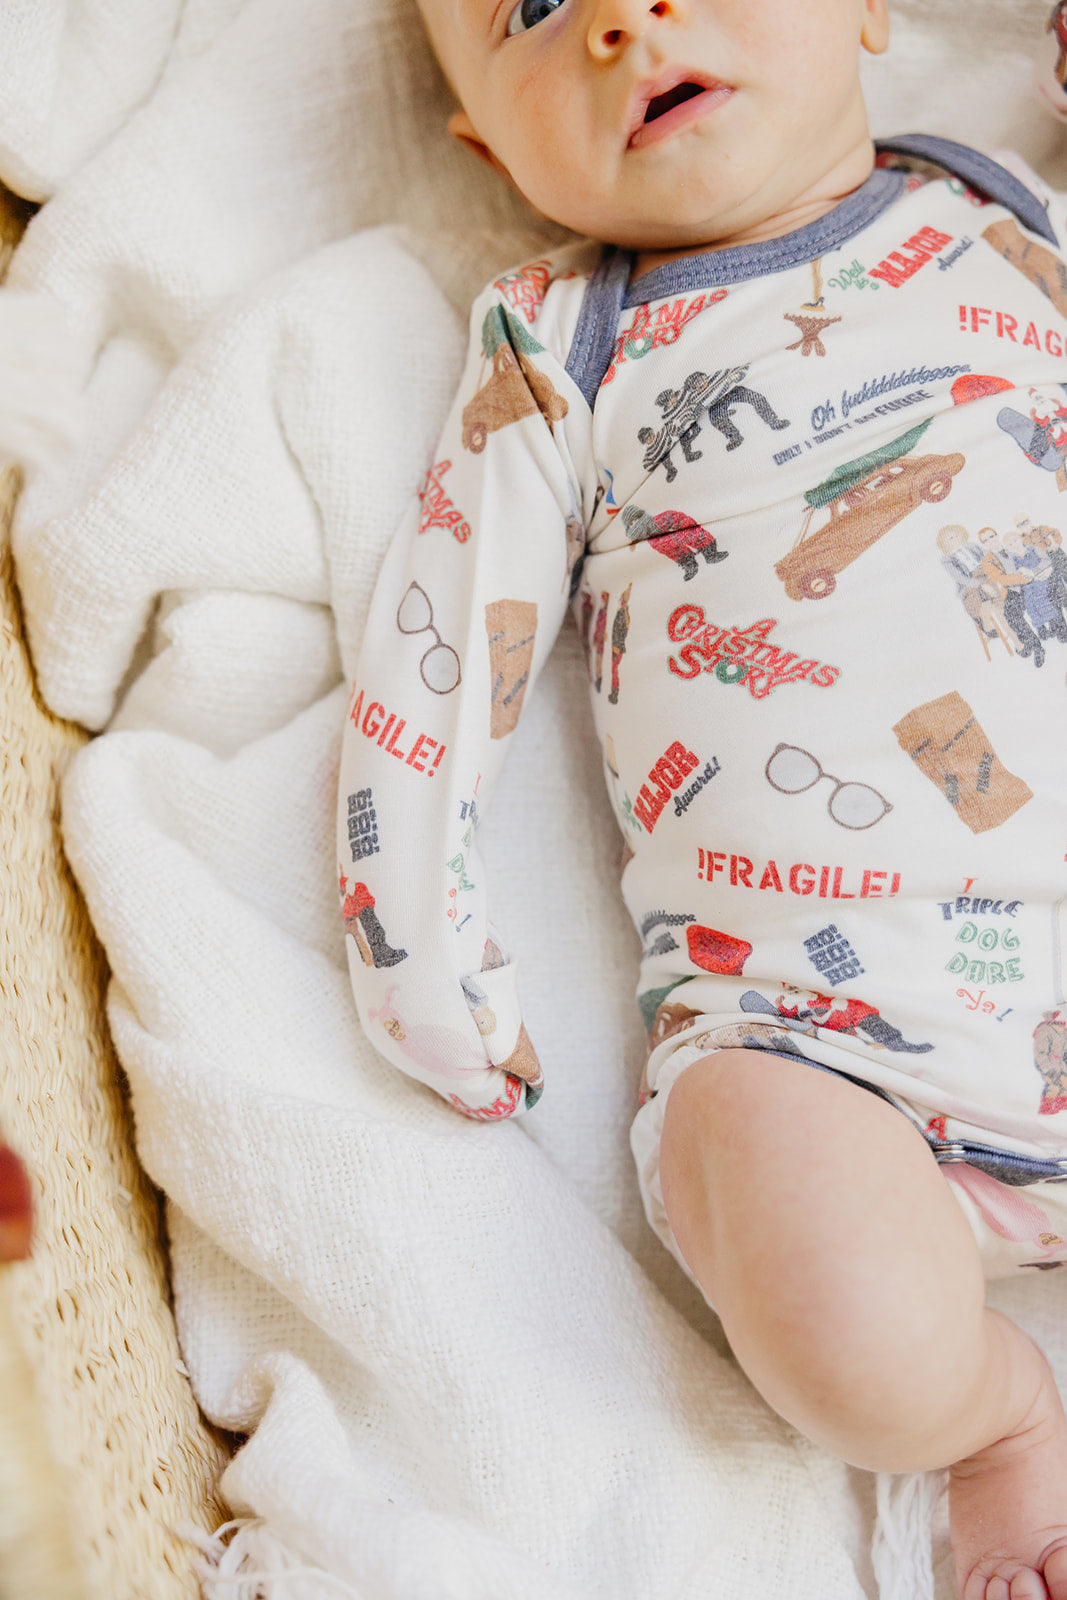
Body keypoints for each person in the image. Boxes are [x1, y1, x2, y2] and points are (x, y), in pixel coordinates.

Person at [336, 0, 1067, 1591]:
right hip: (825, 1049)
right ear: (486, 144)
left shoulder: (1001, 200)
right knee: (841, 1320)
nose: (622, 20)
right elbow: (445, 642)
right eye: (533, 11)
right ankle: (998, 1421)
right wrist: (413, 946)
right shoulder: (563, 346)